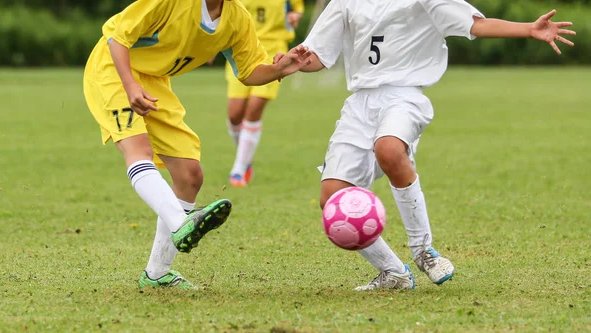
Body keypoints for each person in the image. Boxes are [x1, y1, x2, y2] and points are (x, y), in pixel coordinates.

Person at [279, 0, 575, 290]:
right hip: (359, 103)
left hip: (404, 96)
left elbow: (476, 24)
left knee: (389, 149)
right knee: (331, 198)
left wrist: (529, 29)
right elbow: (318, 54)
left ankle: (424, 250)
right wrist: (298, 62)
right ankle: (393, 272)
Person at [83, 0, 312, 289]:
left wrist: (282, 68)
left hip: (154, 80)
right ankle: (181, 224)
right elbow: (118, 38)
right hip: (114, 71)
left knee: (190, 175)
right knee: (137, 149)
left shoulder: (236, 18)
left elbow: (250, 70)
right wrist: (129, 85)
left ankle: (157, 274)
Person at [225, 0, 305, 187]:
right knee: (234, 114)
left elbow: (296, 9)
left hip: (273, 49)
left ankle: (238, 169)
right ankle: (246, 157)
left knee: (254, 107)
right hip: (241, 49)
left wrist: (295, 16)